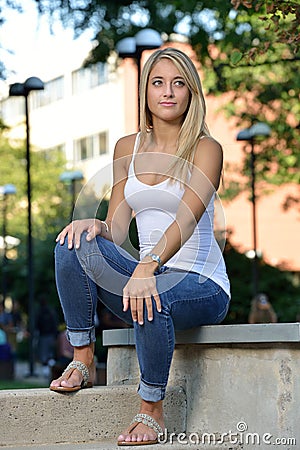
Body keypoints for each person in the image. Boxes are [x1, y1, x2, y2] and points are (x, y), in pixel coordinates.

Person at [50, 47, 231, 446]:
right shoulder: (126, 148)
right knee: (71, 243)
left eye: (179, 83)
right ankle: (83, 357)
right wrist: (93, 224)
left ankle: (151, 409)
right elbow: (118, 227)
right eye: (158, 82)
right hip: (145, 275)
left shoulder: (206, 149)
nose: (168, 92)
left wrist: (147, 265)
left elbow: (185, 219)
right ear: (145, 91)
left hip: (201, 282)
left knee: (155, 289)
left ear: (191, 94)